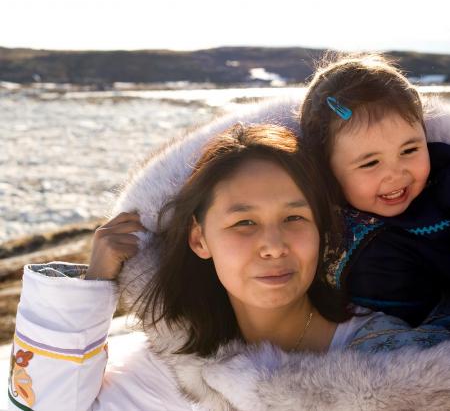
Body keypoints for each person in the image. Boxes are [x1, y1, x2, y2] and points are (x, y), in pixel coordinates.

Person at [9, 123, 450, 411]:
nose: (273, 246)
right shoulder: (173, 366)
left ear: (325, 231)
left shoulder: (392, 358)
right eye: (244, 222)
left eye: (295, 218)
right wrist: (92, 287)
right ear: (200, 238)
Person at [299, 53, 450, 327]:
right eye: (370, 163)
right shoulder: (367, 254)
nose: (396, 173)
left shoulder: (442, 176)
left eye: (410, 149)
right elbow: (411, 334)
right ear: (326, 170)